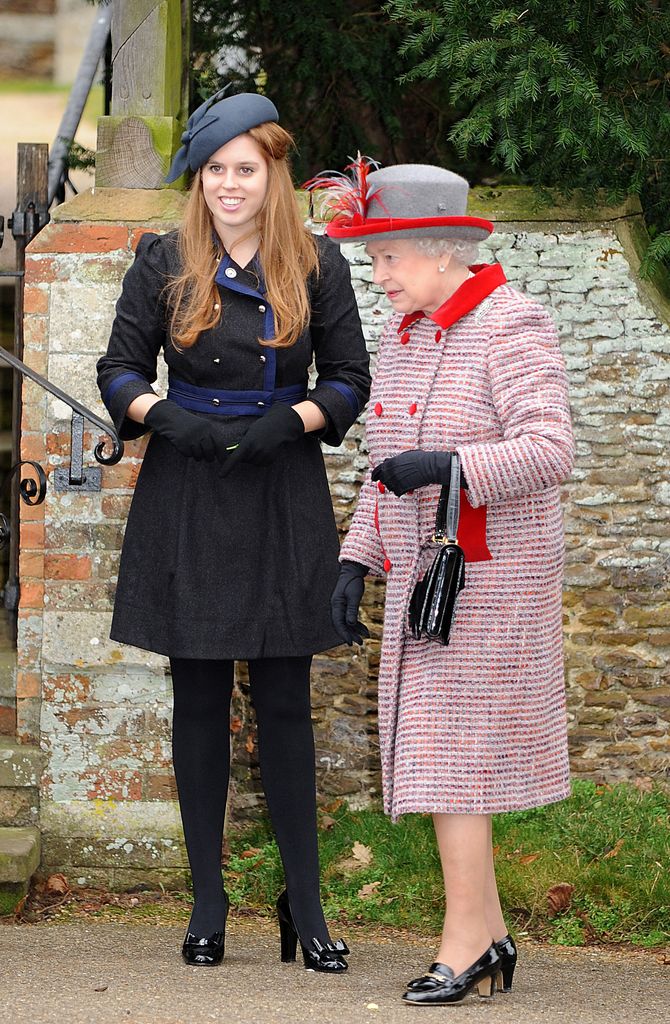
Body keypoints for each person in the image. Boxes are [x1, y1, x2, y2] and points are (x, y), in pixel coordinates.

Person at [96, 91, 370, 972]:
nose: (227, 184)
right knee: (200, 700)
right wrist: (159, 417)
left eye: (243, 168)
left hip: (280, 484)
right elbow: (119, 368)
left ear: (273, 174)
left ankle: (309, 905)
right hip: (189, 483)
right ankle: (208, 903)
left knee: (287, 700)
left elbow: (352, 380)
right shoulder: (164, 259)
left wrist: (291, 422)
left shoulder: (318, 264)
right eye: (213, 169)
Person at [309, 160, 574, 1003]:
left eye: (389, 259)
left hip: (492, 587)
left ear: (442, 251)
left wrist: (449, 465)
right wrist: (359, 557)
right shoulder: (406, 335)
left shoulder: (513, 325)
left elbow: (550, 450)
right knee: (441, 757)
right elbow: (386, 466)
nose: (377, 276)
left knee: (452, 761)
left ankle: (463, 943)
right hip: (429, 581)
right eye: (374, 258)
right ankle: (490, 935)